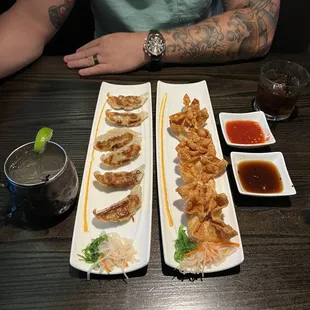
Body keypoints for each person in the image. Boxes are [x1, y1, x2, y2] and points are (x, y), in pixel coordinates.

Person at [0, 0, 280, 79]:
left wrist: (146, 45)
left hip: (212, 68)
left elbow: (260, 25)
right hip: (110, 71)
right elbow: (29, 21)